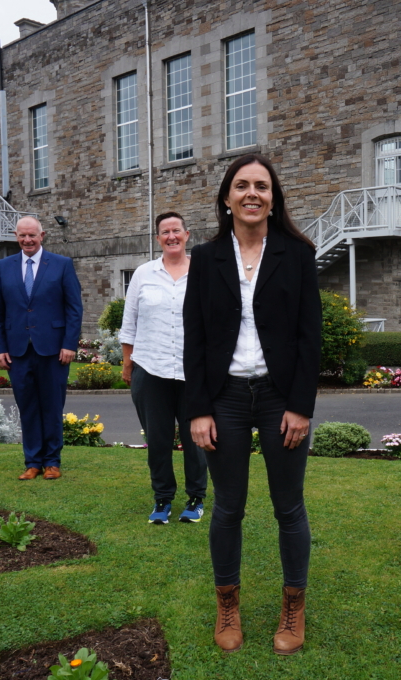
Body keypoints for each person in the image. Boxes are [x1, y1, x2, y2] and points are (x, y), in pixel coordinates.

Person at [184, 154, 321, 655]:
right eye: (242, 185)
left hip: (279, 398)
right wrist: (198, 409)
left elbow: (311, 338)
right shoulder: (205, 257)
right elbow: (194, 339)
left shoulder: (297, 254)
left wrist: (301, 406)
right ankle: (227, 605)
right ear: (226, 197)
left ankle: (293, 607)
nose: (252, 193)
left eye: (261, 185)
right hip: (225, 400)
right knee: (228, 507)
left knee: (289, 507)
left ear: (273, 197)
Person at [120, 212, 208, 524]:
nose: (171, 236)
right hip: (150, 369)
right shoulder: (143, 274)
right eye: (164, 232)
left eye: (176, 231)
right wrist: (128, 365)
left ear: (187, 234)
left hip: (193, 372)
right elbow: (129, 324)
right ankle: (162, 500)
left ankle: (196, 498)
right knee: (157, 440)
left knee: (196, 439)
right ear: (158, 239)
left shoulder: (203, 272)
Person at [0, 216, 83, 480]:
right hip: (17, 351)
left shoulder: (62, 265)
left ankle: (52, 462)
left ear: (43, 235)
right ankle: (32, 462)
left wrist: (68, 344)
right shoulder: (3, 267)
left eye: (32, 235)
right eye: (22, 236)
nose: (27, 240)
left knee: (52, 407)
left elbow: (74, 309)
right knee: (27, 407)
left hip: (54, 351)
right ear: (15, 236)